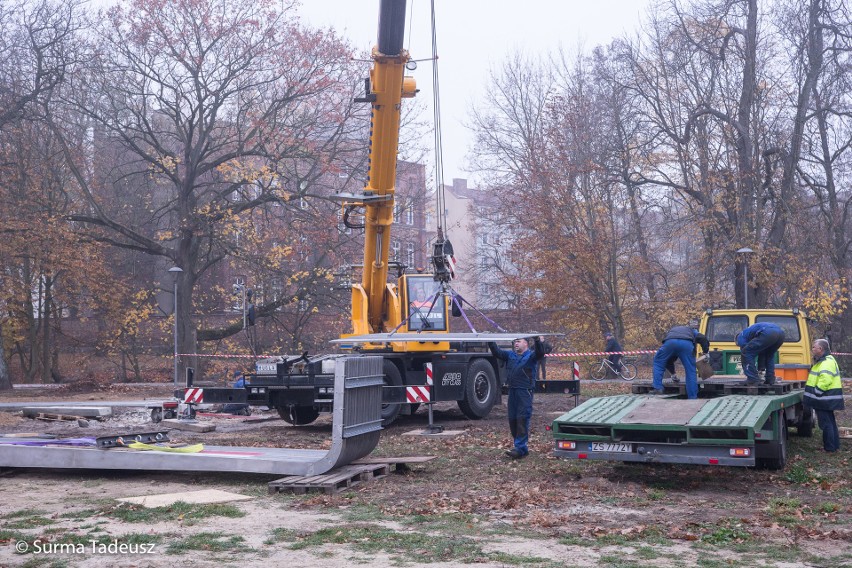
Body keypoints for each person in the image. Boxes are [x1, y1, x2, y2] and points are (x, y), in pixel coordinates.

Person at [488, 336, 546, 459]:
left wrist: (537, 341)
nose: (516, 344)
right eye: (515, 341)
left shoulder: (531, 356)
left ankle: (519, 447)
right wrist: (490, 340)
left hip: (525, 391)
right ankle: (520, 448)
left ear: (526, 344)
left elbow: (540, 353)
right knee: (513, 419)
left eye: (519, 341)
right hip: (512, 391)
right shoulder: (510, 355)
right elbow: (496, 352)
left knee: (522, 418)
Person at [804, 339, 844, 452]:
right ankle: (834, 446)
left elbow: (825, 380)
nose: (812, 349)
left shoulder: (826, 362)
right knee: (830, 422)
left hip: (823, 399)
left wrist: (816, 392)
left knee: (826, 424)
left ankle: (830, 448)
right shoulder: (826, 360)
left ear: (820, 349)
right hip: (826, 399)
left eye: (814, 347)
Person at [651, 325, 710, 399]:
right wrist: (706, 352)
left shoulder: (672, 331)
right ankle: (692, 397)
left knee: (658, 362)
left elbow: (668, 361)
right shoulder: (692, 331)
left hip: (670, 343)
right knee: (690, 370)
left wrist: (673, 374)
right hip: (686, 344)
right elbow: (703, 338)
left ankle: (658, 388)